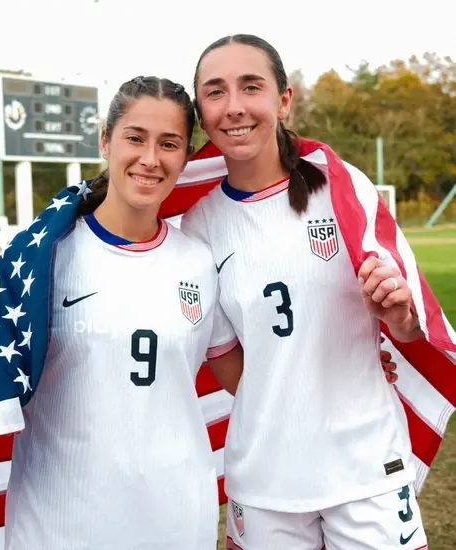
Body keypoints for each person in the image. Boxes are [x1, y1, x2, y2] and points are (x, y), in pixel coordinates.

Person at [170, 33, 456, 549]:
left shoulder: (345, 189)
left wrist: (397, 315)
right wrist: (291, 394)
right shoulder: (198, 228)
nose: (234, 107)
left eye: (250, 86)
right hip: (264, 477)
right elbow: (227, 364)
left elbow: (411, 329)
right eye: (215, 92)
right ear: (201, 113)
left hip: (366, 466)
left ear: (283, 100)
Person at [0, 76, 249, 550]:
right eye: (135, 138)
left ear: (185, 156)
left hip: (176, 519)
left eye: (169, 144)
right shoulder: (45, 257)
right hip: (59, 524)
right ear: (106, 141)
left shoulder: (199, 260)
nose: (150, 159)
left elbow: (246, 380)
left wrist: (346, 375)